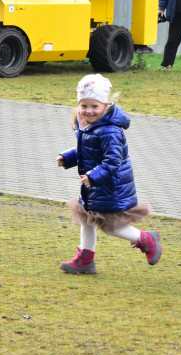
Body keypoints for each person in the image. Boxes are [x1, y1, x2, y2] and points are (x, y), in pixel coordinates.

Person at [56, 73, 161, 274]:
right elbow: (88, 151)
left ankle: (145, 239)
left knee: (112, 226)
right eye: (84, 105)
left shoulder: (110, 130)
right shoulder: (87, 124)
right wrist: (69, 158)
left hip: (110, 186)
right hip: (95, 185)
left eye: (94, 106)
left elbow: (113, 161)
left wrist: (94, 176)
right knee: (86, 219)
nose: (88, 110)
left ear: (106, 105)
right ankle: (85, 260)